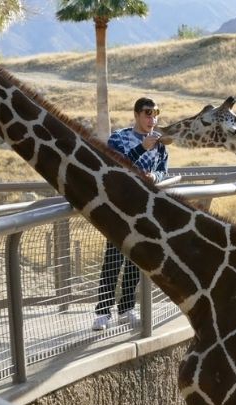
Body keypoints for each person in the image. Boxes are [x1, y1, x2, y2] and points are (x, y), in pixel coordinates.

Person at [92, 97, 169, 331]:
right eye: (147, 113)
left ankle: (126, 308)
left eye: (155, 113)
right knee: (113, 259)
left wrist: (155, 177)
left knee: (136, 259)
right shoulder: (119, 138)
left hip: (143, 211)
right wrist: (141, 148)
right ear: (136, 115)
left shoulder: (160, 143)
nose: (152, 119)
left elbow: (163, 170)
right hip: (118, 209)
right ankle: (103, 312)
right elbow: (116, 167)